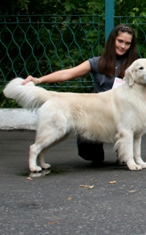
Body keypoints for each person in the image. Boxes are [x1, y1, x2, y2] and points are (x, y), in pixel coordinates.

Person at [22, 24, 139, 164]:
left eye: (127, 43)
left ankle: (124, 157)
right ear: (112, 40)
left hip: (123, 115)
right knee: (88, 150)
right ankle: (99, 152)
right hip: (96, 115)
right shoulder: (97, 62)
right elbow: (67, 74)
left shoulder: (135, 66)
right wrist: (38, 80)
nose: (123, 46)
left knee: (126, 131)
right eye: (120, 41)